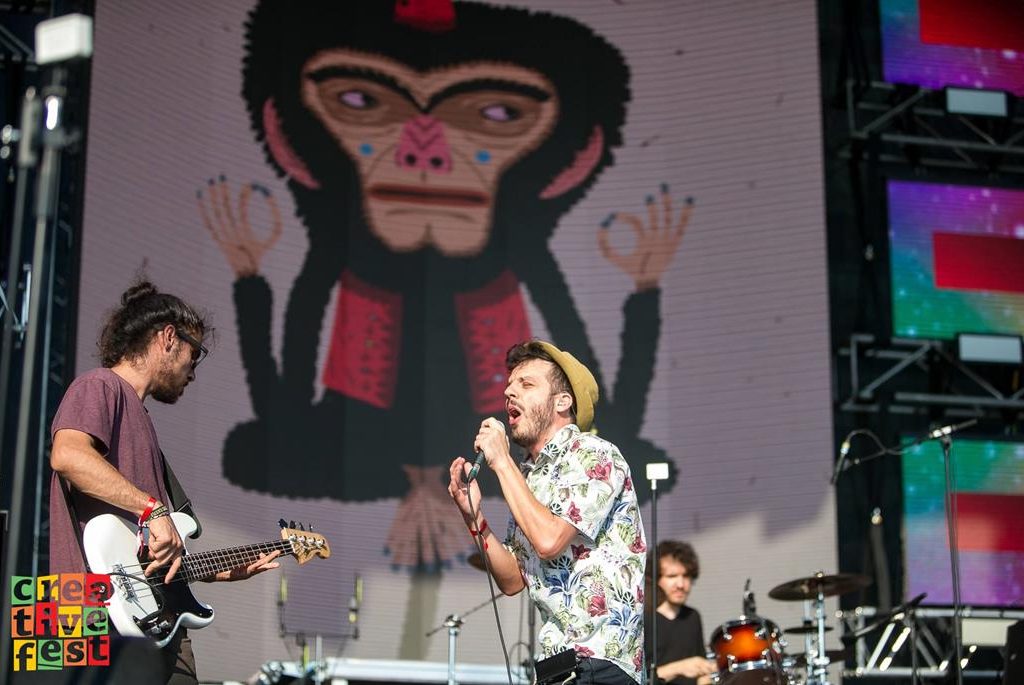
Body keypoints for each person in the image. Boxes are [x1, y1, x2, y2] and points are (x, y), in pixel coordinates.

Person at [48, 280, 281, 685]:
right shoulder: (99, 385)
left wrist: (214, 571)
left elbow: (139, 555)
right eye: (195, 353)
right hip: (89, 613)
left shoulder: (140, 419)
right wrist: (153, 509)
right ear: (168, 338)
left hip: (151, 617)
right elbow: (67, 455)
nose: (194, 370)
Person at [447, 340, 647, 685]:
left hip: (601, 662)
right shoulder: (529, 478)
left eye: (526, 384)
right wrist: (474, 517)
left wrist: (502, 461)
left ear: (562, 401)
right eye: (509, 386)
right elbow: (513, 580)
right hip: (557, 663)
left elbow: (550, 540)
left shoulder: (593, 453)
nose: (509, 393)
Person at [645, 540, 716, 685]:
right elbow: (638, 678)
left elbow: (700, 671)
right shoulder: (643, 620)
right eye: (672, 576)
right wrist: (679, 668)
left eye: (686, 576)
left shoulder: (692, 617)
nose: (681, 584)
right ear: (656, 579)